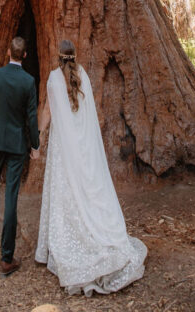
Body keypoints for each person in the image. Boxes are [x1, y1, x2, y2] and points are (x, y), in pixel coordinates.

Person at [35, 39, 147, 296]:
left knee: (65, 191)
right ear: (74, 57)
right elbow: (85, 112)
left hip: (64, 149)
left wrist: (38, 138)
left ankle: (66, 240)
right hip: (83, 148)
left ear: (58, 57)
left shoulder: (53, 79)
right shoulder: (82, 75)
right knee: (83, 188)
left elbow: (48, 111)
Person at [0, 35, 39, 276]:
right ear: (24, 55)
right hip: (15, 145)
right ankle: (6, 258)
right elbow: (31, 117)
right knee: (11, 196)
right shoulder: (28, 81)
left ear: (8, 52)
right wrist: (35, 145)